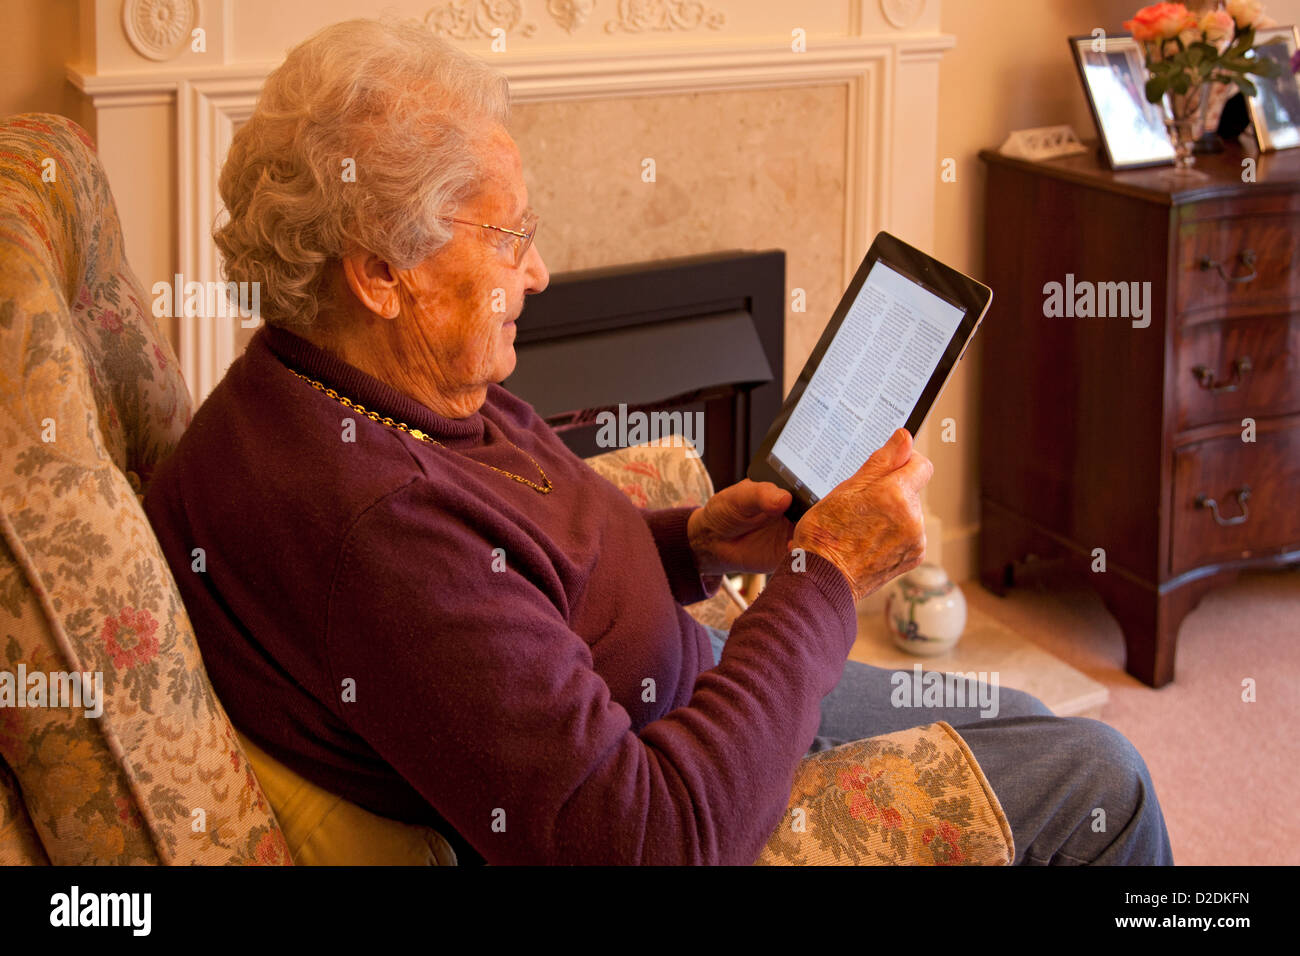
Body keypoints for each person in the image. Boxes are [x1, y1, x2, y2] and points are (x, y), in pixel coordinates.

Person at [144, 17, 1173, 866]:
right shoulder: (374, 526)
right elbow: (645, 837)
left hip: (690, 675)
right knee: (1102, 780)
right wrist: (825, 573)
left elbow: (518, 575)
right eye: (507, 237)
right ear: (381, 270)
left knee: (1029, 710)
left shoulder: (332, 376)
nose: (539, 271)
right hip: (695, 775)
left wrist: (695, 542)